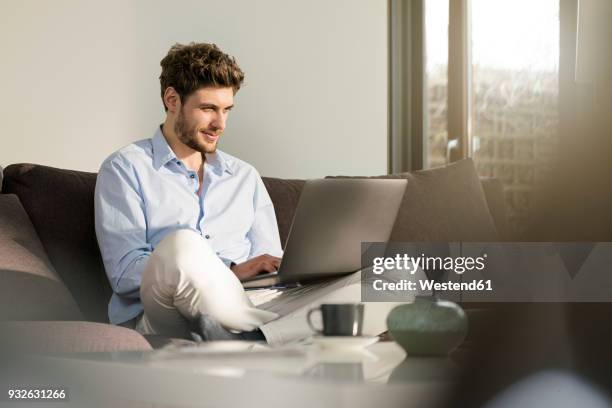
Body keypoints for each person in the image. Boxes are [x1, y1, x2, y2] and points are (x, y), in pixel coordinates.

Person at [94, 42, 282, 340]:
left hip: (249, 304)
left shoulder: (244, 177)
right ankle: (256, 337)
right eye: (208, 108)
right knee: (184, 244)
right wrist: (229, 271)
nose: (219, 123)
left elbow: (270, 263)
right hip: (162, 314)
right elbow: (124, 271)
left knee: (371, 273)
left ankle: (256, 337)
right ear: (172, 100)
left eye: (226, 110)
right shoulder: (125, 168)